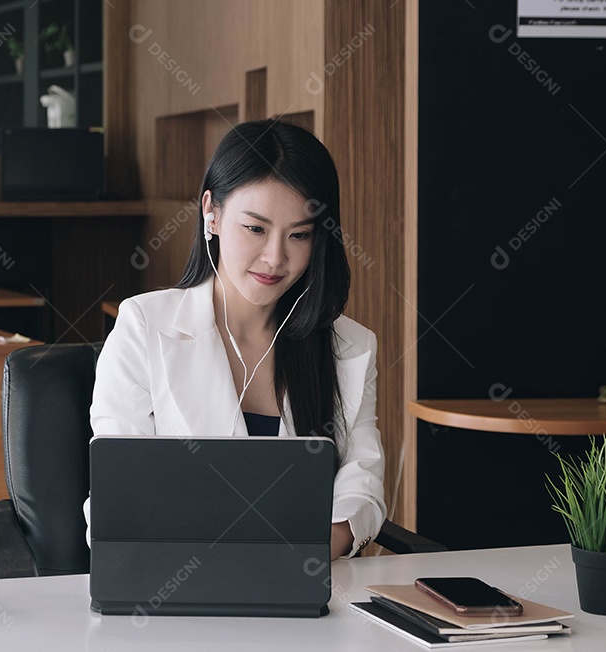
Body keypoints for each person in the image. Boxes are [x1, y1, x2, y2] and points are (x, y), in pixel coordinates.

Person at [87, 119, 385, 560]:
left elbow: (362, 488)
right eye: (256, 228)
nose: (275, 257)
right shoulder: (143, 326)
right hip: (174, 588)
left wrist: (308, 552)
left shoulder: (351, 347)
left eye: (299, 235)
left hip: (303, 586)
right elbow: (117, 495)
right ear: (212, 213)